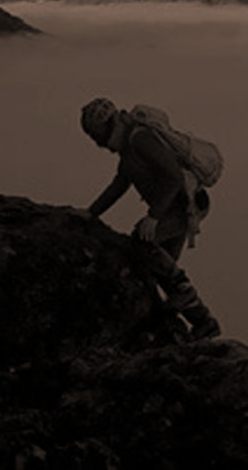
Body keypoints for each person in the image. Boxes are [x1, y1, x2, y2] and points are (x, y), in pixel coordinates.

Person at [78, 97, 220, 340]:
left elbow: (173, 177)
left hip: (183, 207)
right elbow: (119, 184)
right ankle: (200, 323)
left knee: (142, 243)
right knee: (160, 267)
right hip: (175, 208)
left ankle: (197, 314)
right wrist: (90, 213)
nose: (96, 142)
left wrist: (153, 217)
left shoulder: (139, 139)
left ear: (104, 127)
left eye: (94, 134)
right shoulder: (127, 148)